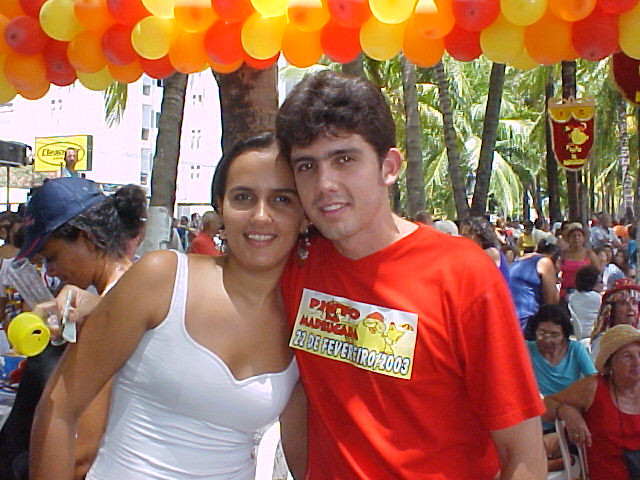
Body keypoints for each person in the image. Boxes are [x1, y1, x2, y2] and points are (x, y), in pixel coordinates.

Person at [276, 70, 545, 479]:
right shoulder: (296, 265)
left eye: (344, 159)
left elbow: (521, 451)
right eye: (307, 165)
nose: (324, 183)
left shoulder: (462, 274)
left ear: (389, 167)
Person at [30, 133, 306, 480]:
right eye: (243, 197)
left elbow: (306, 459)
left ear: (304, 214)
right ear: (220, 207)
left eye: (282, 199)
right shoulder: (163, 278)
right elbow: (58, 407)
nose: (261, 216)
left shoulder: (303, 318)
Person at [0, 177, 147, 480]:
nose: (50, 270)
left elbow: (80, 454)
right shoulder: (123, 296)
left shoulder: (114, 314)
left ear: (86, 239)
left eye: (52, 257)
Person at [542, 324, 640, 479]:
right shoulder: (593, 387)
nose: (637, 362)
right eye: (627, 356)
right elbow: (545, 405)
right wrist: (564, 410)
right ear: (609, 363)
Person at [509, 240, 560, 332]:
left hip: (507, 319)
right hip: (526, 322)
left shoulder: (518, 262)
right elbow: (551, 303)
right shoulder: (545, 262)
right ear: (557, 260)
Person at [590, 278, 640, 360]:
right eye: (623, 303)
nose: (631, 308)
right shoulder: (603, 341)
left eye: (634, 303)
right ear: (612, 310)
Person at [460, 216, 511, 283]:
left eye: (467, 235)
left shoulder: (491, 253)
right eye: (462, 235)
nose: (463, 239)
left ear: (480, 236)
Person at [559, 222, 601, 299]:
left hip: (585, 293)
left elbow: (598, 272)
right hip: (565, 293)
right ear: (568, 239)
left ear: (583, 238)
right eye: (573, 236)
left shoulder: (589, 254)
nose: (576, 238)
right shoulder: (562, 254)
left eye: (579, 235)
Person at [567, 265, 602, 339]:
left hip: (578, 335)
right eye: (600, 282)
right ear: (593, 283)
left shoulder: (572, 297)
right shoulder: (597, 298)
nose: (603, 284)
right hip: (594, 335)